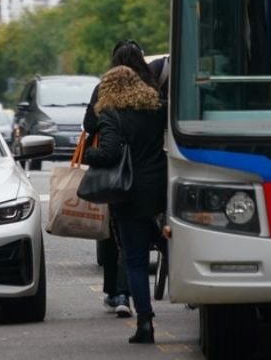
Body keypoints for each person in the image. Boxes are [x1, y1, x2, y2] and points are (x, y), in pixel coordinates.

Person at [83, 65, 167, 344]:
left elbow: (108, 153)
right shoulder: (156, 110)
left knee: (135, 260)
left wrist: (87, 153)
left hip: (128, 193)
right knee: (163, 240)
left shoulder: (111, 114)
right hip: (157, 189)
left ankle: (145, 322)